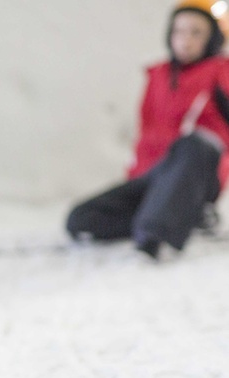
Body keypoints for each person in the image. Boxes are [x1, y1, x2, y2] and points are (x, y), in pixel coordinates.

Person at [66, 0, 229, 260]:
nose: (185, 40)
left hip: (199, 171)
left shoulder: (222, 71)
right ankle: (187, 217)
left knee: (196, 143)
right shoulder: (158, 75)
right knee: (81, 219)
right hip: (155, 175)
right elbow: (147, 133)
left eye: (196, 32)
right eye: (179, 31)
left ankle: (157, 237)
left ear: (213, 38)